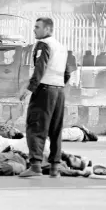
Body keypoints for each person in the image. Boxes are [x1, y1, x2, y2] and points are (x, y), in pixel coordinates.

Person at [18, 17, 71, 178]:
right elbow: (67, 73)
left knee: (36, 126)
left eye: (37, 27)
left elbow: (40, 68)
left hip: (44, 91)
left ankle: (35, 166)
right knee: (55, 130)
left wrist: (29, 89)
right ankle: (55, 167)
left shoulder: (44, 45)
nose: (34, 30)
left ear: (47, 29)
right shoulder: (61, 47)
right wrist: (58, 86)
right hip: (59, 91)